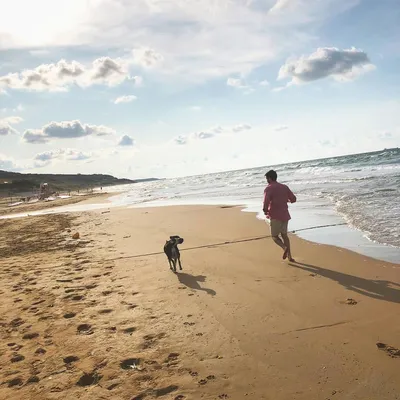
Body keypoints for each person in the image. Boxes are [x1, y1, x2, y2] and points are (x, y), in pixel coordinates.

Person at [263, 170, 297, 262]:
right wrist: (286, 200)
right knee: (284, 235)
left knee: (274, 236)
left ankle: (284, 247)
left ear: (269, 178)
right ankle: (290, 257)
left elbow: (266, 202)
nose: (266, 180)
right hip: (285, 215)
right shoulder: (284, 187)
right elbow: (293, 199)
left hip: (275, 215)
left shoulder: (268, 188)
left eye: (267, 178)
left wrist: (265, 211)